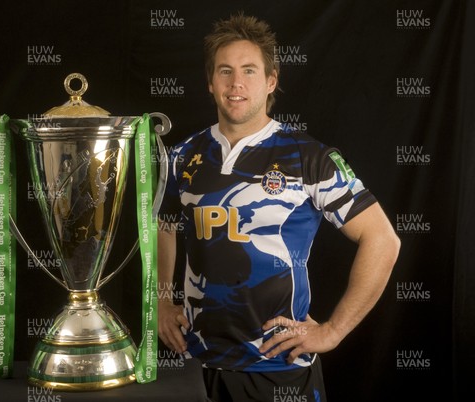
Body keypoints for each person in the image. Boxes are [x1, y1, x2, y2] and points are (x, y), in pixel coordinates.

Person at [157, 13, 401, 402]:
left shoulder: (309, 157)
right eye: (225, 71)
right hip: (194, 364)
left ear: (271, 81)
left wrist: (333, 330)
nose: (236, 83)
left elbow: (383, 240)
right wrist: (160, 301)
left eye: (249, 71)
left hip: (278, 369)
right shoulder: (182, 156)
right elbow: (164, 226)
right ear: (210, 82)